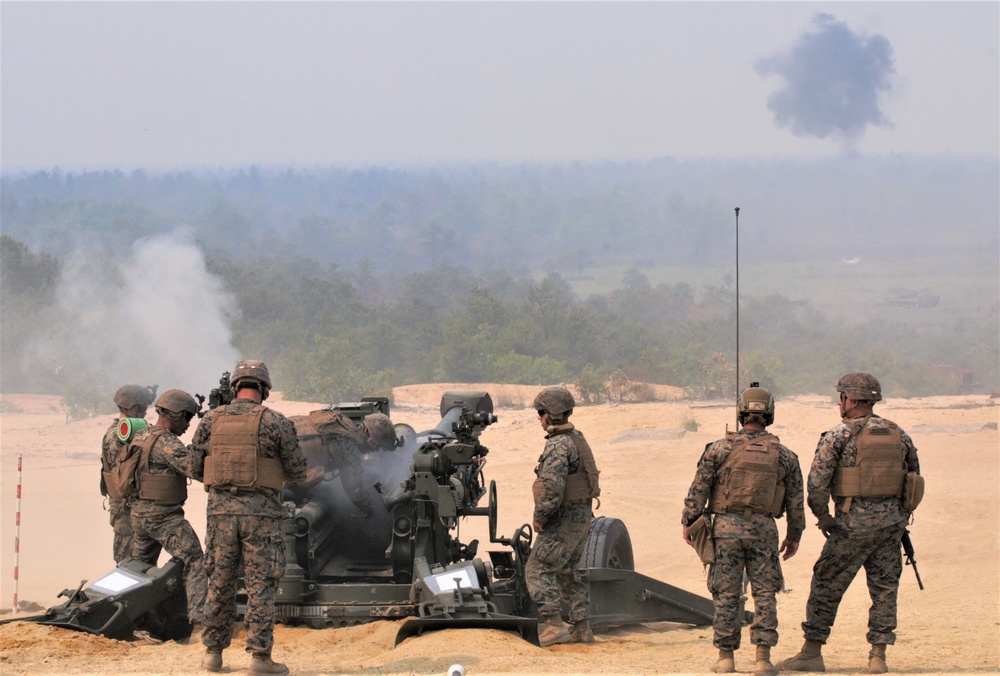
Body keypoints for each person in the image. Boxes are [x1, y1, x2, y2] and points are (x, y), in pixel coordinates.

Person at [780, 372, 921, 674]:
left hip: (850, 527)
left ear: (852, 400)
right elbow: (913, 481)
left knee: (826, 584)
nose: (839, 402)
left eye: (842, 397)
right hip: (890, 529)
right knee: (884, 589)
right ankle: (878, 656)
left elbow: (816, 486)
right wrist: (897, 517)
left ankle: (812, 652)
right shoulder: (900, 435)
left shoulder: (839, 436)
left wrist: (824, 519)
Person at [191, 360, 321, 675]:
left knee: (219, 582)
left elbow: (194, 467)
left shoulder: (210, 421)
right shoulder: (275, 422)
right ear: (263, 389)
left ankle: (213, 655)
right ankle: (260, 659)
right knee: (260, 584)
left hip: (220, 515)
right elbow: (298, 472)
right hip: (261, 516)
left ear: (235, 387)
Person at [681, 383, 805, 675]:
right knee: (765, 593)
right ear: (770, 414)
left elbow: (697, 492)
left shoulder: (719, 449)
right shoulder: (785, 456)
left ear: (741, 412)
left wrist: (689, 523)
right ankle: (763, 658)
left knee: (726, 593)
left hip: (725, 530)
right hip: (764, 530)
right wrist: (794, 536)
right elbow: (796, 503)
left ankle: (726, 657)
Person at [128, 388, 208, 639]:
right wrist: (203, 444)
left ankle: (136, 623)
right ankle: (200, 625)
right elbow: (194, 469)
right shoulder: (166, 442)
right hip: (163, 517)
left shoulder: (141, 436)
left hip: (139, 515)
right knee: (195, 561)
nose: (187, 424)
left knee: (138, 569)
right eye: (186, 418)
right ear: (174, 415)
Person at [524, 386, 601, 647]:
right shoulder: (577, 438)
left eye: (541, 412)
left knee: (537, 569)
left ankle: (554, 626)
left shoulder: (558, 445)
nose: (539, 418)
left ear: (551, 415)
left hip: (564, 518)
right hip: (581, 516)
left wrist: (540, 517)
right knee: (570, 571)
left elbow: (553, 490)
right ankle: (582, 629)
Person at [290, 410, 398, 518]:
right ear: (370, 438)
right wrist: (368, 508)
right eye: (377, 446)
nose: (375, 450)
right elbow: (354, 489)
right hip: (285, 453)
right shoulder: (350, 447)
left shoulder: (345, 424)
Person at [101, 383, 156, 563]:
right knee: (126, 563)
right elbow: (122, 476)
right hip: (124, 508)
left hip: (137, 507)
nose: (144, 413)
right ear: (127, 407)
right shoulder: (117, 435)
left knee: (141, 564)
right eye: (140, 408)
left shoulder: (132, 433)